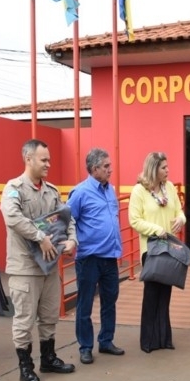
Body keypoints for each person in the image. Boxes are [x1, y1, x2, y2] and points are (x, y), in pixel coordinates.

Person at [0, 139, 77, 381]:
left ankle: (48, 358)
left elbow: (67, 218)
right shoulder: (14, 188)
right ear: (28, 159)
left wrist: (72, 240)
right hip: (25, 269)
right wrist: (40, 237)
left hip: (49, 267)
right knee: (24, 320)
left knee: (49, 316)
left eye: (49, 159)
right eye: (44, 160)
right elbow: (12, 216)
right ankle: (26, 367)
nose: (48, 164)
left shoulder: (51, 191)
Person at [67, 148, 125, 365]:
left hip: (110, 257)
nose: (111, 169)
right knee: (85, 304)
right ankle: (85, 346)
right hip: (89, 258)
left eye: (110, 165)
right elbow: (68, 221)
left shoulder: (111, 190)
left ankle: (106, 340)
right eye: (106, 166)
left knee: (110, 301)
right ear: (94, 169)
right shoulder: (80, 192)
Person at [129, 152, 186, 352]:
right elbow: (134, 220)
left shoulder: (169, 187)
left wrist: (181, 219)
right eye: (164, 168)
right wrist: (156, 230)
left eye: (167, 167)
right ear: (153, 169)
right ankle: (149, 341)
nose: (168, 171)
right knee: (152, 294)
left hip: (169, 247)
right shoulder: (139, 191)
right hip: (151, 249)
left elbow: (179, 210)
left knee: (165, 293)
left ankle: (164, 339)